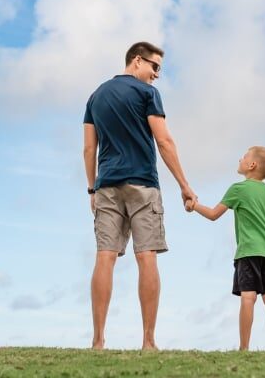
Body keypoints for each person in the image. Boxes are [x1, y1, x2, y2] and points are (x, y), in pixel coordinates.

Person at [83, 41, 197, 351]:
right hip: (143, 185)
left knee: (105, 257)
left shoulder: (96, 96)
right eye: (155, 66)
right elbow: (165, 141)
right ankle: (148, 342)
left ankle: (97, 342)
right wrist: (185, 186)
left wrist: (92, 188)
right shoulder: (147, 94)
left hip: (106, 186)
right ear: (137, 61)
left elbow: (88, 148)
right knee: (146, 257)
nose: (157, 74)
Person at [185, 146, 265, 351]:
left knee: (248, 297)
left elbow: (214, 214)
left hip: (248, 252)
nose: (240, 158)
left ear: (252, 165)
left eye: (244, 156)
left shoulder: (238, 189)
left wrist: (194, 206)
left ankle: (244, 348)